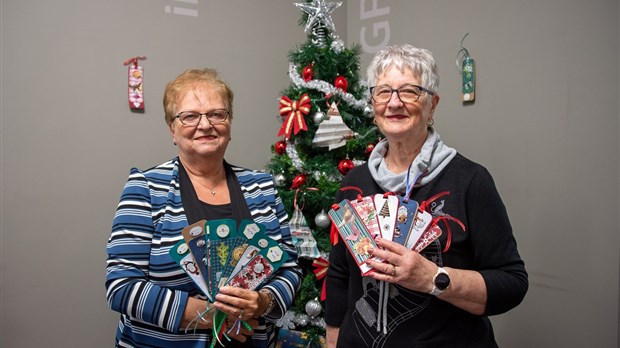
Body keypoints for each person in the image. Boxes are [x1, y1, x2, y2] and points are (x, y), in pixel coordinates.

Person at [324, 44, 528, 347]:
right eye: (383, 92)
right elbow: (340, 274)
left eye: (409, 91)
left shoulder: (470, 181)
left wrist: (433, 278)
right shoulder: (354, 183)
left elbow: (512, 284)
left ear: (432, 104)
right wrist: (333, 341)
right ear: (373, 103)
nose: (394, 103)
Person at [106, 68, 302, 347]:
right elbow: (122, 287)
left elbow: (290, 269)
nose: (206, 124)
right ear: (172, 129)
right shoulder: (146, 188)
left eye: (217, 114)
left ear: (229, 123)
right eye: (189, 116)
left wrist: (262, 302)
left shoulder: (262, 188)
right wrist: (216, 316)